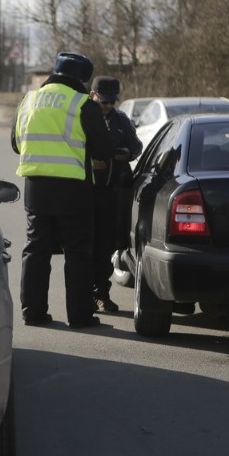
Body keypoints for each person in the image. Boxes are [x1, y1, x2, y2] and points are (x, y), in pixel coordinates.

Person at [11, 52, 114, 329]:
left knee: (36, 250)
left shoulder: (29, 99)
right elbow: (104, 151)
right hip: (73, 190)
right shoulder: (82, 103)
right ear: (82, 79)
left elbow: (16, 144)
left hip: (36, 188)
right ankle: (79, 316)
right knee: (78, 253)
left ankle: (32, 313)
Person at [89, 75, 143, 313]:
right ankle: (85, 294)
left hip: (114, 193)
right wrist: (90, 161)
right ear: (94, 96)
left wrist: (127, 153)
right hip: (88, 191)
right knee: (85, 246)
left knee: (106, 246)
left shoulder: (121, 119)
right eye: (105, 102)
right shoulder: (83, 117)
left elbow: (136, 145)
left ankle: (101, 293)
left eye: (112, 102)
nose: (109, 107)